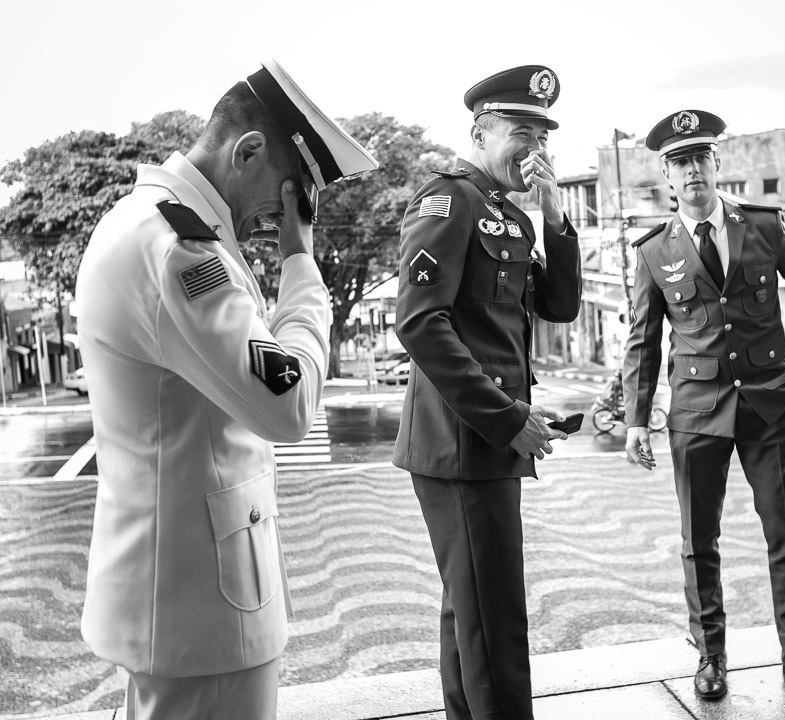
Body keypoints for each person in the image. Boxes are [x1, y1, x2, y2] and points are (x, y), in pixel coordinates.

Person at [76, 58, 378, 720]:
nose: (287, 211)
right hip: (202, 613)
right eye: (290, 190)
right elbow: (289, 403)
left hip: (179, 596)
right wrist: (301, 261)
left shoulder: (146, 220)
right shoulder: (182, 251)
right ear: (247, 151)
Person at [622, 110, 785, 702]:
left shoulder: (762, 228)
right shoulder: (652, 251)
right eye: (679, 162)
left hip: (772, 405)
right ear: (667, 176)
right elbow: (642, 340)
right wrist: (637, 419)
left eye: (700, 158)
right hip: (696, 410)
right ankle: (710, 655)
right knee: (699, 539)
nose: (692, 170)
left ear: (717, 165)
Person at [392, 65, 581, 720]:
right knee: (496, 626)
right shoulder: (447, 202)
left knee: (468, 617)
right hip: (464, 444)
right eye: (520, 132)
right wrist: (507, 421)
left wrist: (554, 212)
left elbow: (558, 304)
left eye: (542, 136)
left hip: (483, 443)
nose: (534, 149)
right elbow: (419, 323)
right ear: (480, 131)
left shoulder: (506, 215)